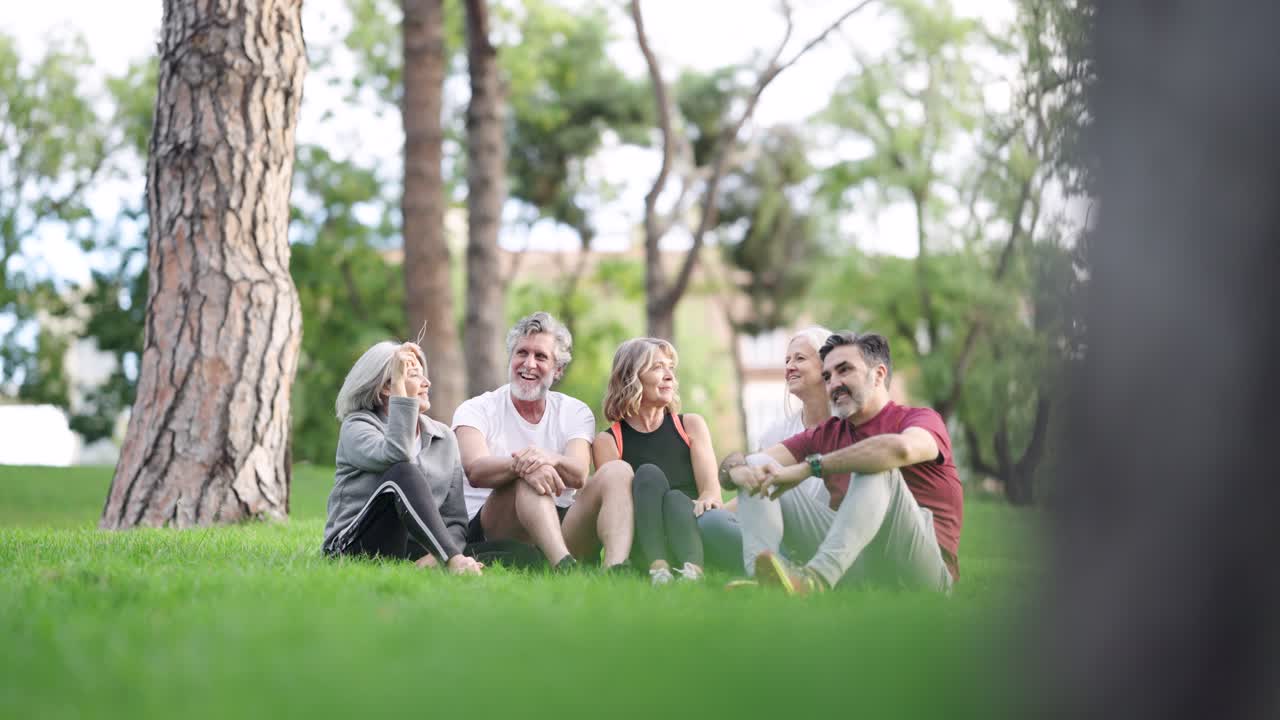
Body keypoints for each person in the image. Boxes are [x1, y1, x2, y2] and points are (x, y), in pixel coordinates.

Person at [722, 331, 961, 594]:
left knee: (877, 466)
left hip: (920, 570)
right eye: (827, 376)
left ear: (879, 374)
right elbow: (750, 462)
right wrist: (738, 472)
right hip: (858, 565)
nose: (834, 384)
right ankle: (764, 581)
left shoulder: (919, 419)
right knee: (758, 462)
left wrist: (809, 467)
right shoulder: (829, 432)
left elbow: (901, 450)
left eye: (844, 370)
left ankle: (815, 581)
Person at [453, 311, 633, 571]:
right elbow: (475, 470)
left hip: (561, 522)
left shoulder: (575, 411)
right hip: (496, 527)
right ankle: (564, 567)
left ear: (557, 370)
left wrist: (547, 457)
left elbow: (579, 474)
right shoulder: (476, 409)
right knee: (529, 476)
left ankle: (616, 569)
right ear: (510, 359)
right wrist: (523, 465)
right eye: (521, 353)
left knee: (619, 470)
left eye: (541, 357)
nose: (529, 363)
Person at [322, 341, 484, 576]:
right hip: (350, 546)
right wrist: (451, 556)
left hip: (411, 549)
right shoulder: (357, 427)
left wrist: (435, 555)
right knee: (403, 472)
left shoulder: (444, 437)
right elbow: (399, 453)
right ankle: (454, 562)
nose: (427, 383)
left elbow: (455, 520)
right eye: (414, 375)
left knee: (508, 551)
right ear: (387, 387)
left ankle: (448, 557)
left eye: (424, 374)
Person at [594, 338, 736, 584]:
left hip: (691, 535)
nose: (669, 376)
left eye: (671, 367)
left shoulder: (690, 425)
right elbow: (617, 511)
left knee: (674, 500)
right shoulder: (609, 441)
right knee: (648, 474)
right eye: (658, 367)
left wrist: (707, 501)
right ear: (631, 377)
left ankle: (693, 570)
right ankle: (657, 567)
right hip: (644, 541)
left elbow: (711, 493)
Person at [722, 327, 835, 571]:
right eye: (787, 360)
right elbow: (755, 486)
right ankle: (775, 569)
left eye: (800, 358)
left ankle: (780, 569)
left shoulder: (849, 427)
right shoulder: (776, 433)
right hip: (780, 537)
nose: (789, 367)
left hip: (829, 538)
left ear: (828, 365)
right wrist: (715, 513)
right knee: (710, 523)